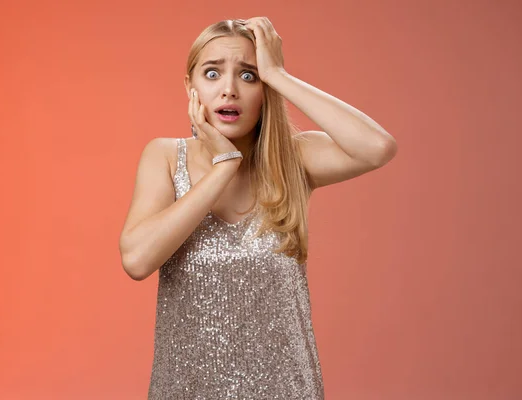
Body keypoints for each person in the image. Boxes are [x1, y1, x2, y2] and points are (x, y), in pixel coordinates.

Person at [118, 17, 397, 399]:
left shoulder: (293, 159)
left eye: (248, 77)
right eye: (212, 73)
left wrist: (278, 74)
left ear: (265, 90)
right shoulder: (165, 156)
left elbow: (378, 147)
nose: (228, 90)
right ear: (191, 86)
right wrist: (223, 166)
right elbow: (136, 260)